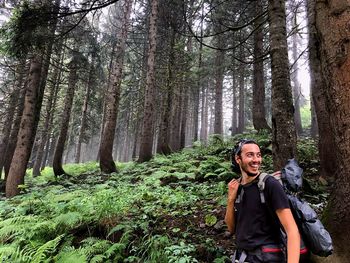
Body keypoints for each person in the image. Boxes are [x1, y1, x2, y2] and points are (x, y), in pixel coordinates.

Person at [224, 139, 300, 263]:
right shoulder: (237, 188)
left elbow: (292, 231)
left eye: (258, 155)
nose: (256, 160)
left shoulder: (270, 185)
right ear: (238, 159)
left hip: (267, 257)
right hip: (243, 257)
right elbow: (232, 228)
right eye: (250, 155)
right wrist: (231, 199)